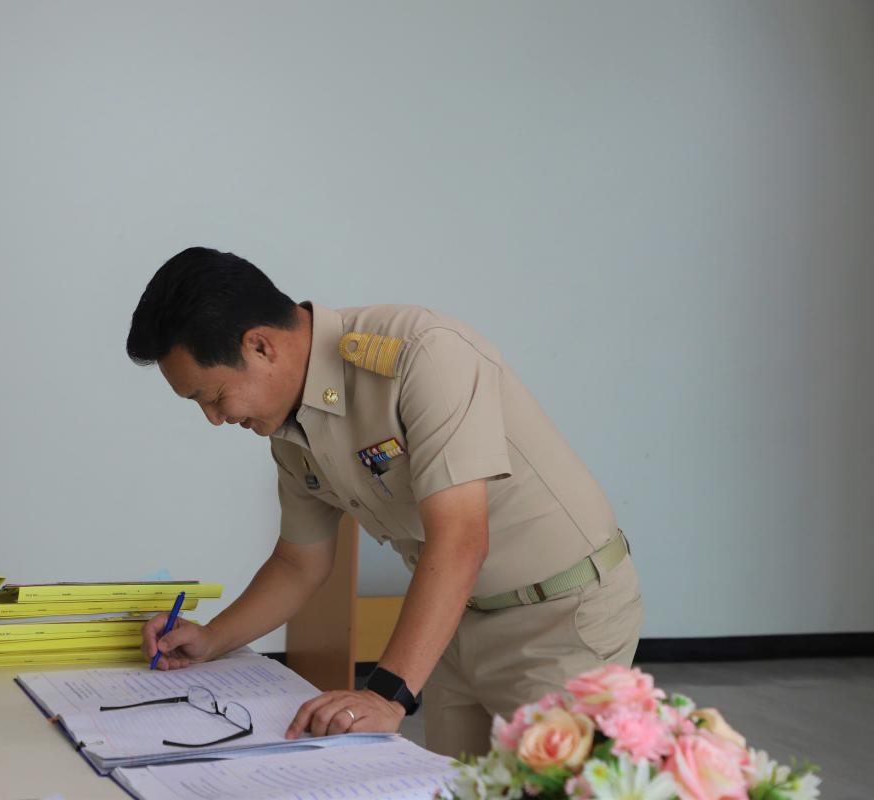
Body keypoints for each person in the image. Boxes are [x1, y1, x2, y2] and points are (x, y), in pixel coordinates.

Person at [125, 246, 643, 757]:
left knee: (549, 786)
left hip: (560, 619)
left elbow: (460, 539)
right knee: (459, 787)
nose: (216, 419)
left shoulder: (423, 354)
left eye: (214, 397)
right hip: (456, 622)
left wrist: (386, 694)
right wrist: (212, 639)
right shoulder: (289, 430)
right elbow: (299, 562)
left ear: (260, 346)